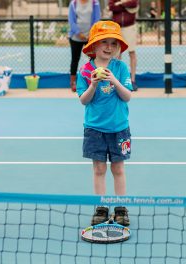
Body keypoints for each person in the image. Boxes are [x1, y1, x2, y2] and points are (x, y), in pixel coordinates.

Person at [77, 21, 133, 226]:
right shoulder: (85, 71)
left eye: (113, 43)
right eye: (104, 42)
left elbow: (127, 96)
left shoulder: (121, 67)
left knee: (118, 170)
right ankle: (101, 207)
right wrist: (93, 84)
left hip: (119, 128)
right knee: (99, 170)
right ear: (93, 46)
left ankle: (120, 207)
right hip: (94, 130)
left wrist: (114, 81)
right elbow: (84, 100)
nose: (109, 47)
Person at [68, 0, 101, 92]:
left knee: (93, 59)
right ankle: (73, 82)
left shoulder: (95, 3)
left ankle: (94, 80)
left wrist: (90, 34)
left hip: (91, 37)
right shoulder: (73, 3)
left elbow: (97, 19)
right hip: (76, 37)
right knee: (75, 59)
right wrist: (79, 33)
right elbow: (71, 21)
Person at [109, 0, 139, 91]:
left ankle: (132, 81)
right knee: (117, 54)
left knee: (132, 53)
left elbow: (134, 3)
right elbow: (112, 7)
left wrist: (120, 3)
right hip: (117, 28)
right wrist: (125, 5)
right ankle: (117, 80)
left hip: (130, 27)